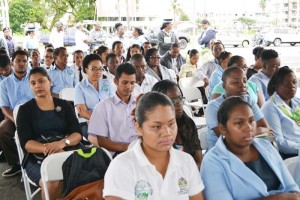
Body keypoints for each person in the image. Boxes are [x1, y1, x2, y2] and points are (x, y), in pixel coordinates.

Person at [103, 92, 205, 199]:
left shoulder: (186, 161)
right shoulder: (121, 166)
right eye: (156, 126)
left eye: (171, 124)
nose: (167, 132)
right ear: (138, 128)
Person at [201, 96, 300, 200]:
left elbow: (292, 189)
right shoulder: (212, 161)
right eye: (239, 123)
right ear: (223, 129)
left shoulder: (266, 146)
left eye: (251, 120)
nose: (248, 127)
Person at [17, 67, 82, 200]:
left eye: (41, 81)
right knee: (52, 183)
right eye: (33, 83)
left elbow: (77, 133)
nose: (38, 86)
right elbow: (27, 143)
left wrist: (62, 143)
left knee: (93, 173)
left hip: (67, 148)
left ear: (50, 82)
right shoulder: (25, 110)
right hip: (37, 156)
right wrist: (50, 149)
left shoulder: (64, 105)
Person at [205, 67, 271, 149]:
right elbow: (225, 138)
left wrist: (243, 133)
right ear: (224, 86)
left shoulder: (248, 100)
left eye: (245, 81)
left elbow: (265, 127)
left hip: (249, 147)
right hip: (221, 152)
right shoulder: (214, 106)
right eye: (236, 82)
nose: (242, 85)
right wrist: (259, 130)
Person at [88, 63, 138, 154]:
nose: (129, 87)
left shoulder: (141, 104)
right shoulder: (103, 107)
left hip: (141, 151)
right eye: (125, 82)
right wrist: (126, 148)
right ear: (115, 81)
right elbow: (101, 141)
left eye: (132, 83)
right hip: (118, 153)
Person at [152, 80, 203, 167]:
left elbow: (198, 156)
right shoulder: (154, 131)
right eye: (173, 101)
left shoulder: (188, 123)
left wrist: (193, 174)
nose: (179, 104)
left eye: (180, 98)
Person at [0, 50, 34, 177]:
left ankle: (38, 159)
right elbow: (4, 107)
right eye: (18, 61)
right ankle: (17, 164)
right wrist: (16, 120)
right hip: (14, 115)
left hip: (35, 113)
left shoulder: (34, 78)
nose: (22, 64)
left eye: (24, 61)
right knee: (3, 129)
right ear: (12, 63)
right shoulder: (5, 83)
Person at [262, 66, 300, 159]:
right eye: (286, 83)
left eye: (294, 82)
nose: (292, 86)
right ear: (275, 86)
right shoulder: (270, 108)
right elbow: (280, 143)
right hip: (292, 155)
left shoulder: (296, 102)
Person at [74, 54, 115, 138]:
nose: (98, 72)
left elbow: (113, 104)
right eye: (94, 69)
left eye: (100, 69)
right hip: (87, 122)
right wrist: (98, 120)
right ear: (86, 70)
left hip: (109, 120)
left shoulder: (107, 83)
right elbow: (83, 112)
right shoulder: (80, 87)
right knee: (100, 137)